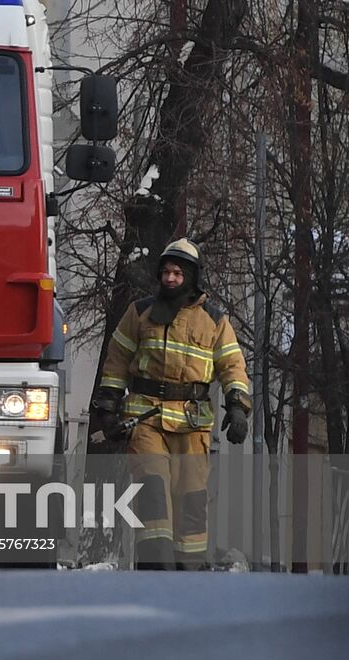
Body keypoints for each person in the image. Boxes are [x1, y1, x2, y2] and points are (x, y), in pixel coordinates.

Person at [92, 237, 251, 569]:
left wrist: (238, 406)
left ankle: (188, 574)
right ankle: (155, 568)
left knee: (191, 502)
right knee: (152, 491)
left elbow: (232, 366)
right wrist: (107, 407)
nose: (170, 279)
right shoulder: (139, 313)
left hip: (192, 426)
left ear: (191, 277)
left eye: (178, 273)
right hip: (146, 419)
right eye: (165, 272)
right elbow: (116, 361)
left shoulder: (215, 321)